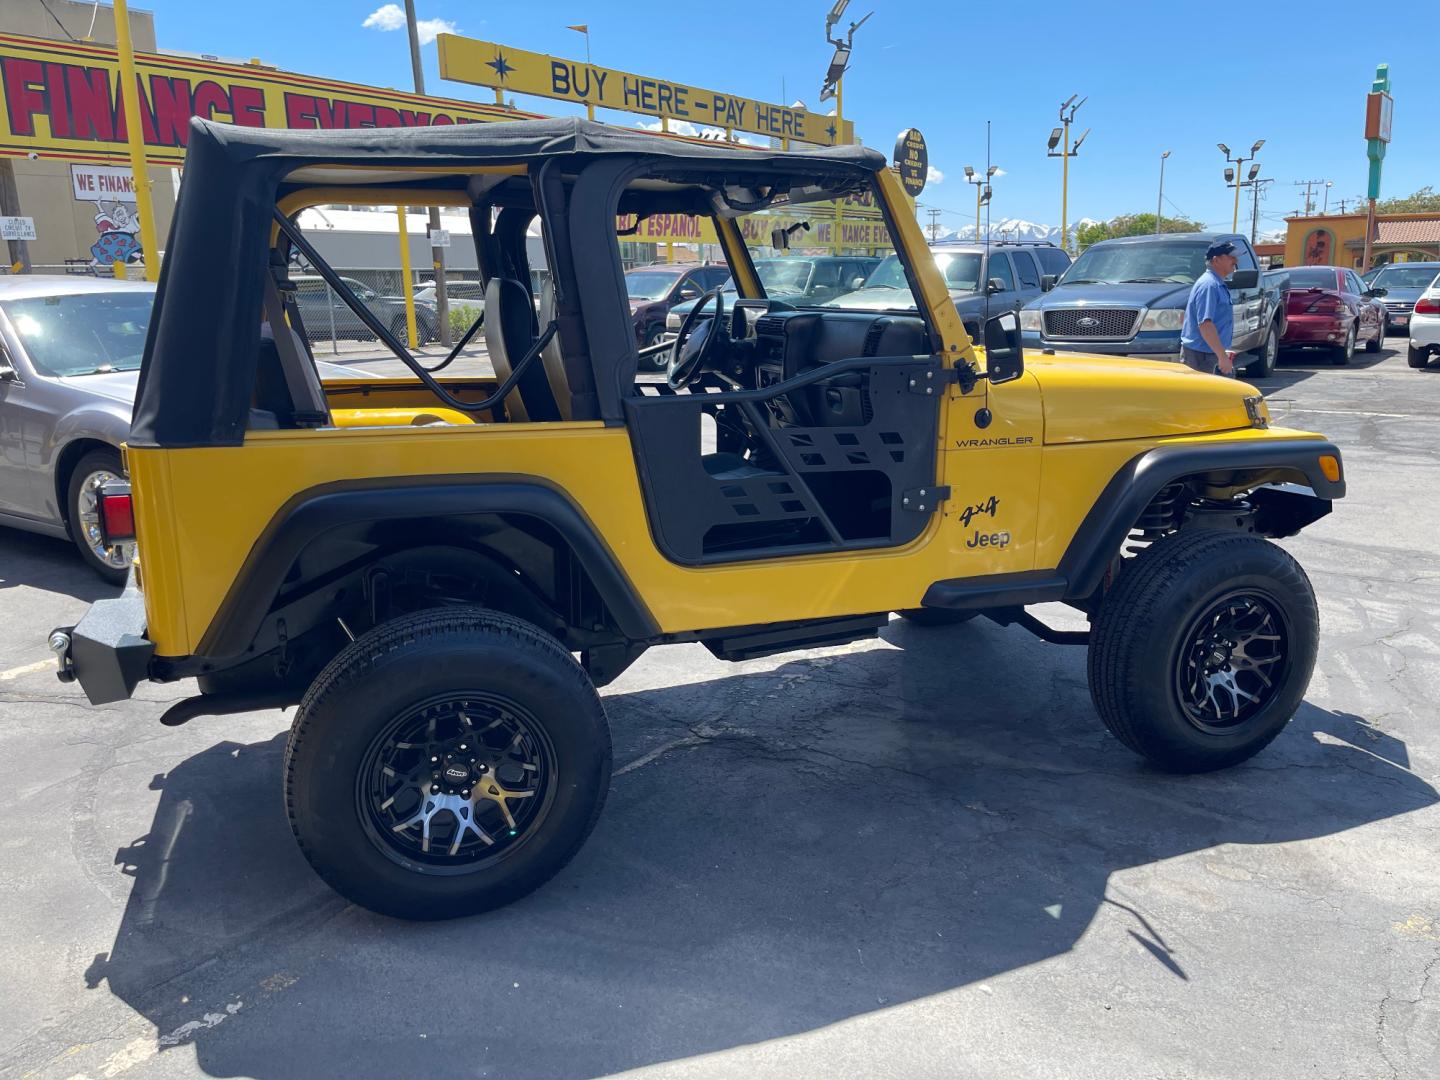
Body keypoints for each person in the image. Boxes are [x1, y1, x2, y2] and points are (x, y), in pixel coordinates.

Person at [1180, 240, 1239, 375]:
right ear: (1216, 260)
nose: (1235, 260)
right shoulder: (1209, 285)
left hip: (1209, 354)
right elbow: (1205, 324)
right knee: (1204, 396)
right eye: (1230, 256)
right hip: (1202, 357)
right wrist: (1222, 357)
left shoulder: (1216, 284)